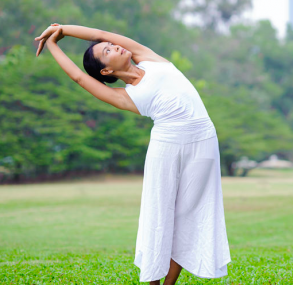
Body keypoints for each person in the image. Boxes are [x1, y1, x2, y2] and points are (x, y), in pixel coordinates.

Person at [34, 24, 231, 285]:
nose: (114, 45)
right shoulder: (127, 96)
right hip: (167, 146)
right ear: (106, 71)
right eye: (107, 51)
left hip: (204, 141)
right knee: (159, 216)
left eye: (111, 44)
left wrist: (63, 29)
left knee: (191, 215)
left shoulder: (150, 59)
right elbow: (80, 78)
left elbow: (100, 35)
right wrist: (52, 44)